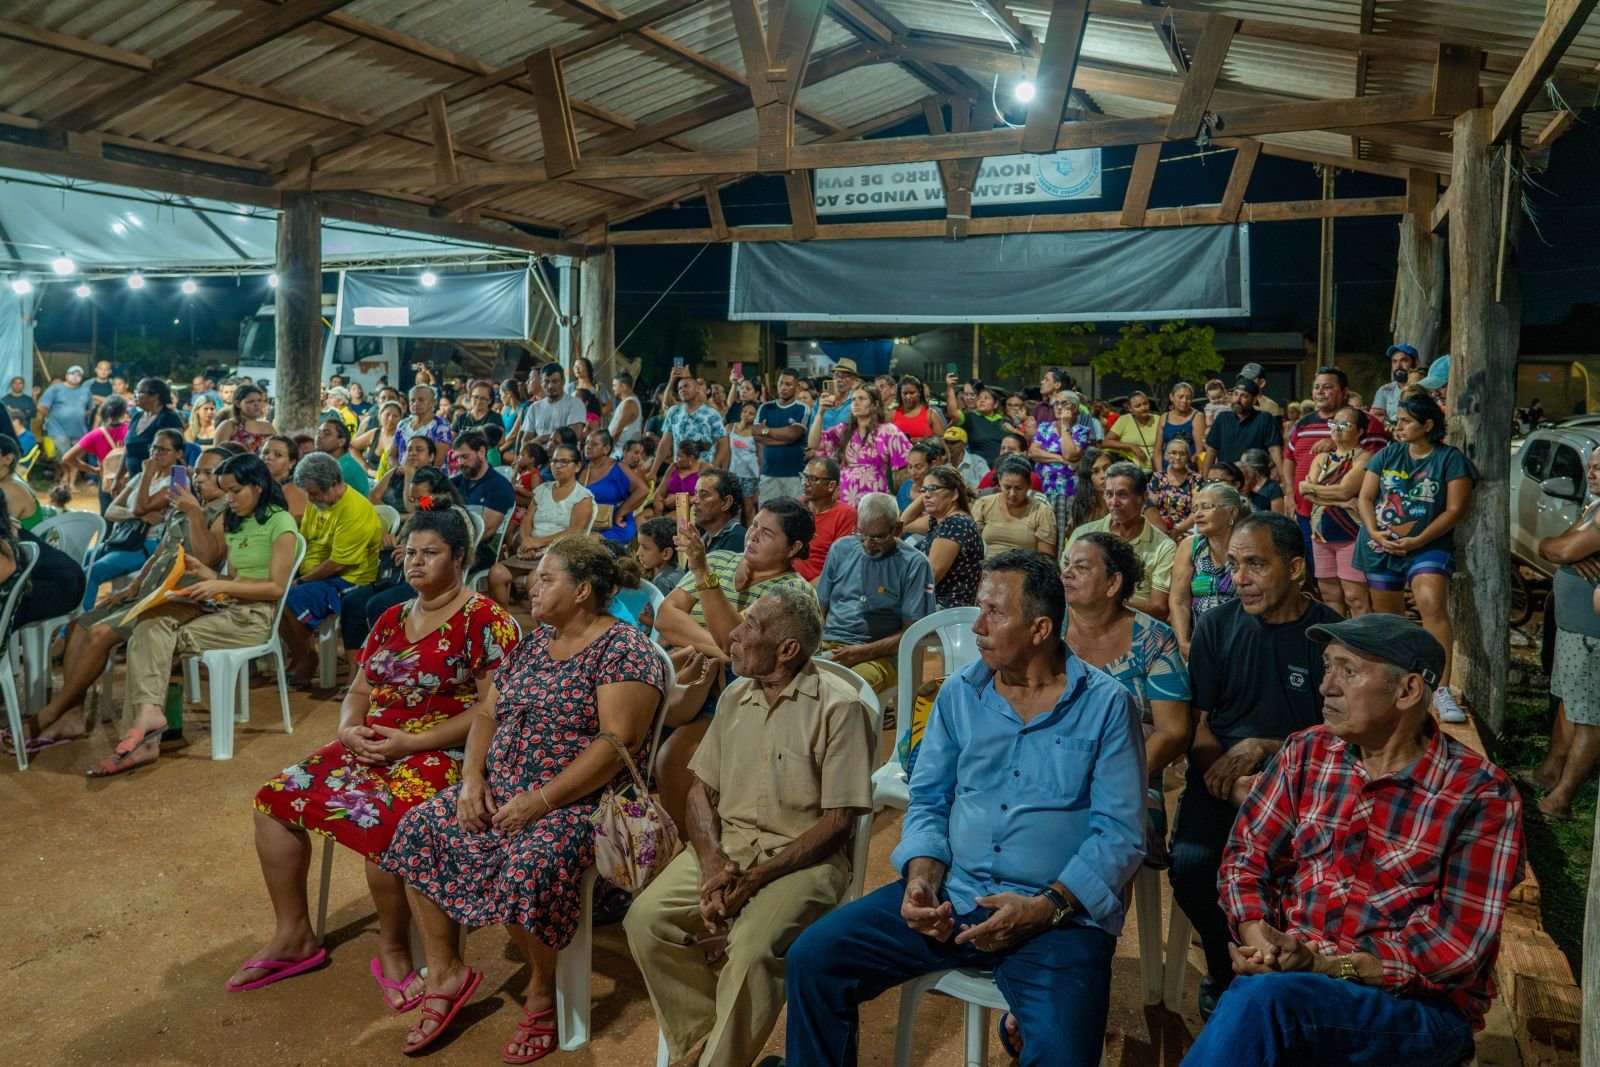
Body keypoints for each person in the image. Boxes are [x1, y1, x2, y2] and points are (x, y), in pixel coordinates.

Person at [785, 550, 1145, 1067]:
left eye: (995, 613)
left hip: (1058, 918)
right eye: (979, 608)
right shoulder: (958, 695)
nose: (977, 625)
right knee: (814, 961)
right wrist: (922, 879)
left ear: (1041, 627)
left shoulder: (1107, 704)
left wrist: (1044, 907)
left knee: (1065, 1054)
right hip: (956, 897)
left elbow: (1119, 835)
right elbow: (930, 801)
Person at [1185, 613, 1524, 1067]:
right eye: (1327, 667)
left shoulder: (1479, 793)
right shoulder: (1306, 750)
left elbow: (1456, 948)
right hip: (1292, 983)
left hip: (1412, 1008)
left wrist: (1327, 967)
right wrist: (1258, 937)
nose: (1326, 686)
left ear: (1408, 691)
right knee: (1264, 998)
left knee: (1263, 1003)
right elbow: (1246, 858)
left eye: (1348, 670)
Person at [379, 538, 666, 1058]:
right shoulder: (536, 642)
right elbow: (487, 713)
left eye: (546, 578)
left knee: (528, 864)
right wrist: (471, 780)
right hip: (504, 788)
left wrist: (542, 801)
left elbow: (614, 743)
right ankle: (446, 972)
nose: (531, 585)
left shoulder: (624, 649)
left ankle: (541, 990)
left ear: (583, 591)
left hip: (579, 802)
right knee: (421, 827)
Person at [233, 507, 518, 1001]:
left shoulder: (485, 619)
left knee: (384, 821)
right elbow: (360, 691)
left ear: (461, 557)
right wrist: (347, 731)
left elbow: (492, 710)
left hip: (444, 751)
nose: (416, 562)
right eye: (409, 552)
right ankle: (295, 933)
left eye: (430, 553)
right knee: (273, 800)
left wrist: (412, 742)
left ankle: (393, 946)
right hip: (374, 744)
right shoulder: (392, 616)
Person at [627, 586, 873, 1067]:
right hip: (732, 848)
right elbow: (701, 790)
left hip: (804, 859)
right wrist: (713, 859)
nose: (733, 636)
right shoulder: (737, 694)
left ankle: (715, 1059)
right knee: (646, 920)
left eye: (750, 628)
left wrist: (757, 878)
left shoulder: (839, 706)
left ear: (787, 650)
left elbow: (840, 822)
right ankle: (710, 1041)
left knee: (752, 949)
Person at [1169, 511, 1340, 1018]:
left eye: (1255, 565)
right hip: (1223, 777)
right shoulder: (1218, 626)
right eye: (1235, 564)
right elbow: (1195, 721)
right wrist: (1221, 774)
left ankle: (1291, 980)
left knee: (1306, 883)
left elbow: (1342, 738)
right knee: (1193, 868)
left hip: (1308, 786)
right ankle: (1227, 969)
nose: (1239, 579)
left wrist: (1267, 748)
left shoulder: (1330, 634)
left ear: (1294, 570)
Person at [86, 451, 301, 777]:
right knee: (149, 624)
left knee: (156, 639)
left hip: (255, 618)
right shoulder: (238, 519)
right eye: (225, 490)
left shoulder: (280, 523)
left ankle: (144, 737)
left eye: (235, 490)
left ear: (258, 486)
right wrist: (208, 574)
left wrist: (220, 584)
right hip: (227, 607)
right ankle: (149, 716)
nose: (229, 498)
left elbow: (274, 588)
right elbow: (230, 572)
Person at [8, 447, 231, 753]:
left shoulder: (223, 513)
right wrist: (134, 586)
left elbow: (209, 558)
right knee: (79, 626)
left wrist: (194, 513)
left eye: (210, 473)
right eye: (199, 471)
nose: (201, 478)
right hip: (150, 591)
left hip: (184, 597)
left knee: (100, 634)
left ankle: (50, 713)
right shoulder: (183, 507)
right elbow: (161, 553)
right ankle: (72, 716)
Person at [653, 499, 817, 831]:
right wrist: (720, 647)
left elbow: (738, 645)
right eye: (754, 525)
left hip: (744, 696)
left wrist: (701, 575)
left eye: (767, 533)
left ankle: (687, 848)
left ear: (793, 547)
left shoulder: (791, 593)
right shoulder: (720, 559)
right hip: (691, 680)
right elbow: (666, 618)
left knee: (674, 757)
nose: (752, 536)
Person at [1060, 531, 1192, 882]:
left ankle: (1089, 927)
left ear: (1113, 582)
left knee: (1110, 833)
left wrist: (1109, 780)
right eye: (1066, 564)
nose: (1067, 573)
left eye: (1081, 567)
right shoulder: (1045, 629)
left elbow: (1173, 731)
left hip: (1129, 777)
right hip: (1048, 767)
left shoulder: (1153, 640)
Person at [1353, 394, 1476, 722]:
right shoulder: (1386, 454)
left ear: (1428, 425)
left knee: (1432, 605)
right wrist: (1375, 532)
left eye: (1406, 420)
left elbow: (1455, 510)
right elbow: (1365, 497)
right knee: (1389, 619)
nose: (1398, 426)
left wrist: (1418, 539)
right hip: (1382, 544)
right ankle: (1398, 683)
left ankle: (1441, 689)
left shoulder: (1449, 459)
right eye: (1398, 419)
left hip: (1427, 545)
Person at [1524, 447, 1600, 820]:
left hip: (1593, 635)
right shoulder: (1594, 507)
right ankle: (1550, 771)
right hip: (1576, 629)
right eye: (1592, 466)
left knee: (1589, 716)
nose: (1594, 473)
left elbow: (1560, 547)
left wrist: (1567, 551)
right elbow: (1554, 545)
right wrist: (1565, 550)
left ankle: (1561, 800)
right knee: (1568, 703)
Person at [279, 452, 386, 686]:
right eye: (308, 492)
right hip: (316, 574)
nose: (310, 497)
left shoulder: (354, 511)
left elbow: (338, 563)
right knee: (273, 591)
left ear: (335, 483)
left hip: (350, 579)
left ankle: (307, 657)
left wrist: (301, 580)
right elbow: (306, 540)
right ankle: (301, 655)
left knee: (291, 596)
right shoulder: (317, 502)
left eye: (315, 492)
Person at [816, 492, 935, 691]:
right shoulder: (841, 549)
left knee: (844, 690)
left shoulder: (914, 564)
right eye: (862, 534)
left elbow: (913, 632)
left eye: (878, 537)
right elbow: (820, 609)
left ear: (897, 529)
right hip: (829, 646)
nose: (868, 544)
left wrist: (863, 652)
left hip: (880, 655)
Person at [1285, 367, 1389, 558]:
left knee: (1351, 580)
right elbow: (1289, 459)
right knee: (1317, 572)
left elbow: (1374, 465)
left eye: (1327, 387)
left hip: (1349, 519)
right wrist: (1290, 494)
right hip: (1307, 511)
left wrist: (1312, 489)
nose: (1320, 392)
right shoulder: (1302, 423)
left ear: (1344, 392)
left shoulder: (1368, 422)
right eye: (1316, 387)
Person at [83, 428, 185, 610]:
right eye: (154, 448)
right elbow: (111, 511)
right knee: (84, 557)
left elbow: (140, 506)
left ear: (178, 453)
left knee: (91, 573)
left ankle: (78, 626)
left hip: (147, 544)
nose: (156, 453)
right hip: (122, 538)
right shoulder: (139, 477)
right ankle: (70, 617)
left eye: (163, 449)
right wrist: (138, 516)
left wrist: (147, 474)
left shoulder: (177, 480)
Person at [488, 443, 595, 606]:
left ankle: (543, 630)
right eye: (554, 461)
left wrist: (539, 542)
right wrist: (527, 542)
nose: (557, 466)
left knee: (534, 580)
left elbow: (576, 531)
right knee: (496, 573)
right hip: (531, 550)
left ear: (577, 466)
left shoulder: (582, 496)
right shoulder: (542, 490)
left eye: (564, 461)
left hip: (560, 553)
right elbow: (526, 520)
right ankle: (504, 625)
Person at [1067, 462, 1175, 621]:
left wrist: (1100, 602)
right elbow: (1065, 586)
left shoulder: (1164, 547)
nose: (1114, 502)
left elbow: (1159, 609)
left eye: (1122, 495)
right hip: (1081, 621)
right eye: (1109, 494)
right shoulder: (1082, 535)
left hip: (1135, 626)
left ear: (1143, 498)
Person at [1300, 405, 1380, 618]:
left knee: (1355, 597)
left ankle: (1363, 647)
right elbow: (1304, 492)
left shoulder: (1365, 457)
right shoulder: (1322, 458)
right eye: (1333, 423)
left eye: (1344, 424)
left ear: (1360, 431)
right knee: (1328, 595)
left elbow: (1346, 489)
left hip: (1351, 533)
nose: (1337, 428)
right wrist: (1343, 502)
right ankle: (1335, 643)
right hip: (1320, 533)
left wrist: (1318, 491)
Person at [1169, 481, 1245, 658]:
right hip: (1199, 642)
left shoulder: (1248, 546)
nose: (1198, 515)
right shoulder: (1190, 546)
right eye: (1195, 509)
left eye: (1206, 507)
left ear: (1232, 512)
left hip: (1243, 641)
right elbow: (1178, 600)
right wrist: (1183, 643)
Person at [808, 385, 910, 506]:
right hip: (845, 497)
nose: (856, 403)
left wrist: (900, 497)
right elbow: (814, 443)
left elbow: (907, 464)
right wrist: (820, 412)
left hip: (874, 498)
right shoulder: (843, 430)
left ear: (875, 404)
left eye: (862, 399)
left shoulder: (888, 430)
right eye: (854, 399)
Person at [902, 464, 984, 610]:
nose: (926, 494)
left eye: (933, 489)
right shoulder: (941, 520)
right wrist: (928, 493)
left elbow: (930, 577)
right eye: (924, 490)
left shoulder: (956, 524)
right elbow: (903, 523)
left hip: (947, 611)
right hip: (937, 604)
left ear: (954, 494)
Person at [450, 429, 516, 571]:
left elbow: (485, 531)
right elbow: (425, 502)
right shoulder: (455, 482)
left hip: (481, 550)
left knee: (433, 566)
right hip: (452, 544)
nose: (460, 462)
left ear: (481, 452)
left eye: (465, 456)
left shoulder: (499, 486)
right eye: (457, 458)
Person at [1031, 390, 1090, 542]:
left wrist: (1065, 426)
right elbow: (1033, 453)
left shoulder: (1081, 431)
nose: (1058, 407)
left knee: (1065, 535)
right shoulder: (1044, 427)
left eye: (1064, 403)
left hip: (1069, 493)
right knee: (1044, 535)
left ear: (1076, 408)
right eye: (1056, 403)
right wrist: (1061, 459)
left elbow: (1070, 454)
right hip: (1044, 490)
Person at [973, 455, 1057, 557]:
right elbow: (974, 546)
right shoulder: (984, 504)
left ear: (1029, 484)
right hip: (986, 568)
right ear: (999, 482)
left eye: (1019, 488)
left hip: (1025, 569)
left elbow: (1045, 556)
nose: (1012, 494)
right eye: (1007, 487)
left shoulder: (1041, 511)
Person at [577, 426, 646, 545]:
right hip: (587, 524)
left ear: (606, 448)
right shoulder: (582, 468)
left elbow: (643, 490)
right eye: (587, 442)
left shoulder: (618, 467)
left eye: (594, 444)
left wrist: (621, 512)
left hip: (614, 526)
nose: (588, 446)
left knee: (589, 542)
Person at [794, 456, 857, 582]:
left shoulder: (845, 515)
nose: (805, 482)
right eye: (804, 476)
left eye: (813, 479)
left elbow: (840, 566)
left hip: (820, 586)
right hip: (788, 580)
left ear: (831, 485)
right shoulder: (796, 508)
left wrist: (808, 590)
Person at [654, 369, 729, 472]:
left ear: (697, 388)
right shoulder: (674, 411)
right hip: (679, 469)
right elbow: (665, 443)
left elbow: (723, 444)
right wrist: (653, 470)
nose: (682, 390)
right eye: (680, 388)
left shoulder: (711, 413)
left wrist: (712, 467)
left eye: (686, 386)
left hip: (702, 472)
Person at [754, 368, 811, 504]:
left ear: (797, 387)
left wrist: (767, 431)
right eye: (781, 383)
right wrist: (785, 437)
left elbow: (793, 434)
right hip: (769, 473)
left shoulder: (802, 409)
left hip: (794, 475)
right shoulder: (765, 408)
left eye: (788, 384)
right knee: (766, 518)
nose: (783, 388)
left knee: (794, 519)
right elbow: (756, 434)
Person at [58, 394, 130, 497]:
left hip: (107, 480)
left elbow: (67, 458)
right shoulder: (132, 429)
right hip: (130, 480)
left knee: (107, 512)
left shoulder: (95, 435)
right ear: (123, 412)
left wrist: (94, 470)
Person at [1206, 378, 1284, 468]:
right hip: (1226, 477)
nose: (1237, 400)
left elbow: (1275, 451)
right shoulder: (1222, 418)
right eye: (1235, 394)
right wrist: (1205, 479)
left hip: (1255, 478)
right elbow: (1211, 452)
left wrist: (1282, 477)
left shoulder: (1264, 419)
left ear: (1254, 400)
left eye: (1244, 396)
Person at [39, 364, 94, 486]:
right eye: (72, 374)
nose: (75, 377)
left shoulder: (85, 391)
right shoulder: (55, 389)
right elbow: (41, 406)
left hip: (79, 430)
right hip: (57, 429)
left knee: (77, 456)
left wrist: (79, 414)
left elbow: (90, 409)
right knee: (63, 454)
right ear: (66, 376)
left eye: (78, 374)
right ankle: (66, 474)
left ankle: (71, 483)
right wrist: (51, 416)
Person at [943, 375, 1011, 466]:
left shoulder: (1004, 420)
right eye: (966, 394)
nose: (968, 398)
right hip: (979, 469)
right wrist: (950, 388)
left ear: (995, 404)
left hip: (1004, 468)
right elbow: (953, 413)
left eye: (972, 394)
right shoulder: (969, 418)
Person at [1144, 436, 1204, 535]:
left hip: (1186, 529)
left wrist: (1179, 529)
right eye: (1173, 453)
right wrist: (1162, 529)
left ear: (1188, 457)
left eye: (1182, 454)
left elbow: (1196, 510)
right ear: (1166, 456)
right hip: (1158, 527)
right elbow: (1151, 507)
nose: (1177, 457)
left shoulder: (1196, 479)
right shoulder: (1158, 477)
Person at [391, 384, 454, 471]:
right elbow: (392, 455)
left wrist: (412, 473)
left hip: (430, 478)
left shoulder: (440, 425)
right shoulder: (402, 424)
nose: (416, 403)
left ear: (433, 402)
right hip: (403, 476)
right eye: (412, 400)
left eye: (421, 400)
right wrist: (399, 469)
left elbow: (438, 460)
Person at [691, 467, 747, 554]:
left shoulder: (738, 539)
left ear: (726, 503)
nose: (693, 500)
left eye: (703, 494)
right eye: (695, 493)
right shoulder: (703, 539)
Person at [214, 382, 277, 457]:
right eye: (251, 401)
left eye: (259, 400)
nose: (256, 404)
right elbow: (217, 455)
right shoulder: (229, 426)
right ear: (237, 403)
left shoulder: (268, 426)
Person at [1105, 390, 1160, 471]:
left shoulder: (1159, 419)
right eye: (1138, 406)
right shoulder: (1124, 420)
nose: (1143, 408)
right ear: (1130, 409)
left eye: (1145, 404)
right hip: (1130, 470)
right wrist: (1131, 446)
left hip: (1154, 469)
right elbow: (1106, 442)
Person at [1158, 381, 1207, 471]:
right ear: (1171, 397)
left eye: (1188, 398)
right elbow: (1158, 449)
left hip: (1187, 470)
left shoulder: (1197, 417)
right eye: (1180, 397)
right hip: (1166, 469)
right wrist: (1160, 473)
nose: (1184, 401)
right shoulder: (1164, 417)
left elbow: (1199, 451)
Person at [315, 416, 371, 496]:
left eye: (327, 433)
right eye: (318, 432)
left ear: (341, 442)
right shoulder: (331, 462)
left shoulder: (344, 469)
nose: (319, 436)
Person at [727, 402, 760, 523]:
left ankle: (752, 537)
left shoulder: (756, 432)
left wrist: (760, 484)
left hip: (750, 477)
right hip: (733, 474)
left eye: (751, 414)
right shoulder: (730, 427)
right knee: (734, 509)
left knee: (749, 510)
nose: (746, 415)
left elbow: (761, 457)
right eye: (745, 411)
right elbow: (726, 453)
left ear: (756, 417)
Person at [1370, 343, 1420, 422]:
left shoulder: (1425, 389)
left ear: (1416, 362)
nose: (1398, 365)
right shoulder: (1385, 390)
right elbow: (1375, 418)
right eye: (1394, 361)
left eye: (1404, 360)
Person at [1068, 447, 1112, 536]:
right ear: (1087, 477)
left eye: (1107, 468)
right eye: (1095, 471)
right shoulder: (1082, 507)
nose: (1103, 475)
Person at [638, 515, 685, 595]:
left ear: (666, 553)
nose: (638, 553)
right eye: (639, 545)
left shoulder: (662, 584)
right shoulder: (677, 569)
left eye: (645, 548)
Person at [890, 374, 945, 441]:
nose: (908, 397)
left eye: (912, 393)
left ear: (919, 392)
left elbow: (942, 440)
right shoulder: (892, 413)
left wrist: (924, 440)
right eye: (905, 393)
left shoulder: (930, 414)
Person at [815, 358, 860, 434]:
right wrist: (820, 411)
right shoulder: (821, 401)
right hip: (821, 444)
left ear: (854, 381)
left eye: (846, 376)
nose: (839, 379)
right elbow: (812, 427)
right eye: (837, 375)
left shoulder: (857, 402)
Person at [940, 425, 989, 491]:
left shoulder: (977, 462)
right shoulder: (941, 464)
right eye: (946, 442)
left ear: (964, 445)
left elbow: (988, 487)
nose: (949, 446)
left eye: (953, 443)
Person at [1239, 447, 1285, 515]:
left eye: (1243, 464)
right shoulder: (1243, 486)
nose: (1240, 466)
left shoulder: (1272, 488)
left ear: (1254, 467)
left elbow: (1278, 518)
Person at [608, 370, 644, 454]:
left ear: (623, 386)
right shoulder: (628, 402)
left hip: (621, 453)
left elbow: (617, 430)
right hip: (620, 451)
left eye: (615, 385)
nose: (613, 389)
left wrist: (606, 449)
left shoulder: (629, 403)